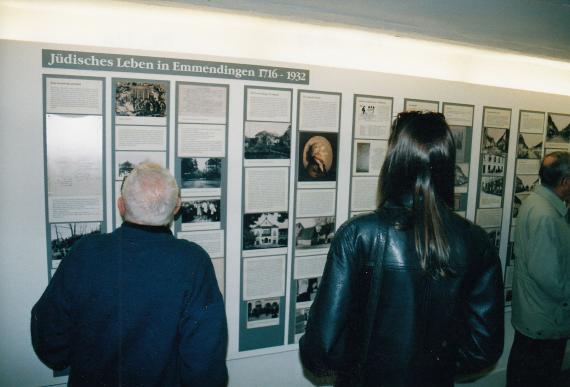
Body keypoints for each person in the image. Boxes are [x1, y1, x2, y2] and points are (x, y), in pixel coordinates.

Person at [299, 111, 504, 387]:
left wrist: (363, 364)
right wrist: (431, 367)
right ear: (446, 164)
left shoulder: (358, 235)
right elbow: (482, 350)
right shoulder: (476, 242)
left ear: (395, 161)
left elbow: (321, 348)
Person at [31, 162, 228, 387]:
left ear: (121, 206)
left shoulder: (85, 252)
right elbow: (206, 361)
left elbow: (48, 336)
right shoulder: (192, 261)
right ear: (177, 207)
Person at [507, 151, 570, 387]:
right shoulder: (546, 215)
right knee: (539, 377)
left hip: (534, 317)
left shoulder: (536, 202)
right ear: (565, 182)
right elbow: (551, 279)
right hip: (546, 320)